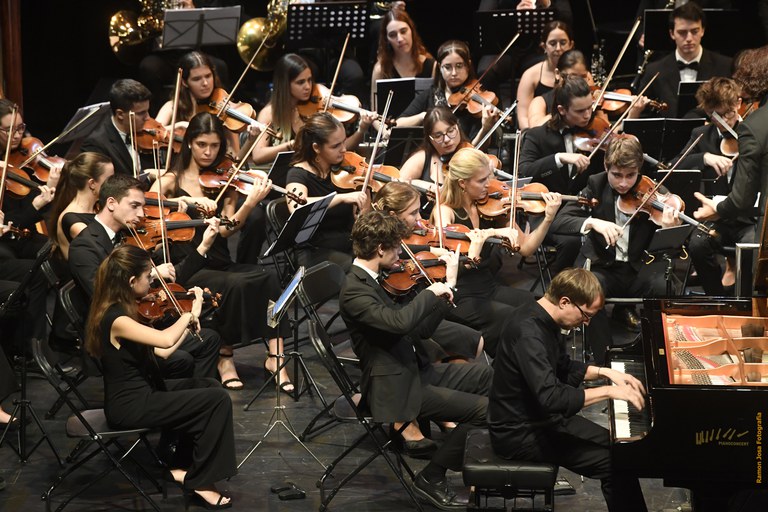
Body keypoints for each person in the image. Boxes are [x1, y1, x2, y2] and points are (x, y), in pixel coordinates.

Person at [339, 210, 492, 510]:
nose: (400, 253)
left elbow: (419, 330)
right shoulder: (355, 290)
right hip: (395, 387)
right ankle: (432, 476)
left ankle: (491, 467)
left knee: (490, 378)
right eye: (396, 247)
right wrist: (430, 293)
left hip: (412, 370)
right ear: (380, 248)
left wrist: (448, 288)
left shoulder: (373, 280)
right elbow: (399, 323)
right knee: (485, 411)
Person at [84, 245, 235, 508]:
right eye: (148, 277)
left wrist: (188, 324)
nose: (152, 282)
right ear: (132, 281)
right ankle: (201, 482)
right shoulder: (116, 319)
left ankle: (181, 466)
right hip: (130, 406)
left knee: (208, 384)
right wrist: (190, 313)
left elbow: (162, 352)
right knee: (217, 400)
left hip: (144, 392)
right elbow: (165, 339)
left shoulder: (126, 309)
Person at [152, 112, 293, 392]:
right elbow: (152, 209)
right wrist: (187, 201)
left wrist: (249, 203)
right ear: (189, 143)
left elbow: (228, 230)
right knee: (234, 285)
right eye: (202, 144)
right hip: (188, 264)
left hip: (218, 259)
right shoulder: (169, 181)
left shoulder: (224, 179)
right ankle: (224, 358)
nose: (208, 152)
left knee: (268, 278)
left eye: (215, 146)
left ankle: (276, 357)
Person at [488, 267, 648, 512]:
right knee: (617, 463)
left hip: (542, 419)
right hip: (519, 432)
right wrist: (609, 392)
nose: (586, 323)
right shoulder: (529, 333)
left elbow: (562, 366)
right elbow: (552, 398)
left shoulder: (544, 318)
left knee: (621, 448)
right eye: (586, 316)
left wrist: (606, 373)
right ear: (565, 302)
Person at [69, 174, 220, 381]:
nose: (141, 214)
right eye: (134, 206)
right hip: (115, 336)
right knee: (180, 358)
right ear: (111, 203)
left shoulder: (131, 237)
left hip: (142, 321)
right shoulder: (84, 245)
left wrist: (203, 247)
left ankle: (198, 394)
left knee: (209, 339)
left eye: (142, 206)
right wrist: (155, 273)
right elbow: (102, 293)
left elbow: (169, 281)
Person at [550, 135, 681, 362]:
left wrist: (668, 229)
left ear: (639, 169)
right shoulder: (596, 184)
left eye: (631, 175)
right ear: (606, 166)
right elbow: (561, 221)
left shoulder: (654, 191)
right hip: (604, 267)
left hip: (639, 268)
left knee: (666, 285)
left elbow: (673, 248)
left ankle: (652, 352)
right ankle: (605, 358)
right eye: (617, 175)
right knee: (590, 290)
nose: (623, 183)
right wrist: (592, 222)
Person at [435, 147, 560, 357]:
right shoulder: (445, 212)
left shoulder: (491, 207)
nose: (489, 184)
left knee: (544, 307)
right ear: (462, 183)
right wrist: (492, 232)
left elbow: (526, 248)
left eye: (489, 177)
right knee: (515, 318)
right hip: (460, 295)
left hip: (488, 287)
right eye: (482, 180)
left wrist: (548, 218)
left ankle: (551, 364)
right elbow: (448, 261)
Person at [374, 180, 485, 362]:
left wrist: (433, 251)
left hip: (420, 305)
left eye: (419, 211)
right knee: (472, 344)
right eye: (413, 213)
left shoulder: (402, 241)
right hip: (404, 316)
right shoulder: (381, 246)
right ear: (393, 215)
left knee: (474, 344)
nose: (420, 219)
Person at [674, 77, 753, 296]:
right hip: (715, 215)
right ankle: (715, 296)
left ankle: (747, 300)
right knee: (697, 244)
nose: (723, 121)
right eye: (715, 115)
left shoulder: (753, 133)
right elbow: (674, 166)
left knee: (751, 247)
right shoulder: (701, 135)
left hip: (748, 217)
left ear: (738, 103)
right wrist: (704, 157)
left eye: (727, 113)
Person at [694, 46, 768, 248]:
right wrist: (705, 157)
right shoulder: (703, 135)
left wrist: (717, 208)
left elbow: (741, 199)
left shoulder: (753, 127)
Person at [249, 53, 374, 166]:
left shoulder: (318, 101)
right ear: (285, 84)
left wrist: (361, 129)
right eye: (300, 82)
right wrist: (291, 145)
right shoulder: (269, 113)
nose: (308, 87)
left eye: (309, 80)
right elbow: (258, 156)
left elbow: (341, 149)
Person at [285, 111, 369, 272]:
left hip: (347, 241)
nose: (344, 149)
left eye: (344, 142)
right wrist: (341, 198)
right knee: (359, 267)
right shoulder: (298, 174)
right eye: (336, 146)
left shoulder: (344, 169)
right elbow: (296, 207)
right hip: (314, 249)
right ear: (316, 147)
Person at [637, 2, 732, 118]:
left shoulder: (724, 66)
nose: (689, 38)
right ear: (672, 34)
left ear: (702, 30)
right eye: (682, 32)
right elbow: (644, 116)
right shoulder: (654, 71)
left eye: (694, 31)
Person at [396, 40, 500, 147]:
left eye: (459, 66)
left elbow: (474, 150)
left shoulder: (476, 103)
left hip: (466, 156)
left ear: (468, 66)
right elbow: (398, 125)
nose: (454, 73)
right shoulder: (430, 95)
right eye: (447, 67)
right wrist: (423, 116)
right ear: (440, 67)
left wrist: (485, 129)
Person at [155, 51, 252, 156]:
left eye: (208, 76)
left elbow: (235, 153)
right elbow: (151, 132)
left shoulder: (223, 109)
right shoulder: (172, 107)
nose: (205, 83)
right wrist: (179, 125)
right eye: (197, 79)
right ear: (184, 82)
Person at [399, 106, 471, 217]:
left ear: (458, 126)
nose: (446, 139)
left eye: (451, 131)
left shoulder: (469, 153)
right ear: (429, 138)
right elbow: (398, 184)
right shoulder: (422, 157)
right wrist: (421, 186)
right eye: (438, 136)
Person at [47, 152, 115, 261]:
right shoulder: (74, 222)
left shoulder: (97, 207)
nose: (114, 184)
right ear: (92, 184)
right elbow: (106, 255)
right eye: (109, 179)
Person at [81, 79, 154, 177]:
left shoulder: (143, 132)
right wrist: (147, 175)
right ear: (120, 114)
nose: (148, 118)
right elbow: (107, 183)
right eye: (141, 113)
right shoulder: (95, 144)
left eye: (147, 111)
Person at [370, 7, 435, 108]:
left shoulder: (432, 66)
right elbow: (375, 110)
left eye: (403, 31)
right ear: (387, 39)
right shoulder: (380, 69)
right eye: (392, 35)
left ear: (412, 31)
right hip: (391, 119)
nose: (400, 39)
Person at [515, 21, 574, 130]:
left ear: (571, 45)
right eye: (552, 43)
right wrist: (535, 136)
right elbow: (523, 118)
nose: (558, 48)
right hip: (538, 132)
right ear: (544, 46)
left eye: (563, 42)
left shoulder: (580, 73)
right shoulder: (530, 75)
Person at [527, 49, 595, 128]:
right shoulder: (540, 101)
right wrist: (562, 113)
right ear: (557, 74)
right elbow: (535, 127)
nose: (578, 81)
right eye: (573, 76)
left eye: (583, 77)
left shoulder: (592, 99)